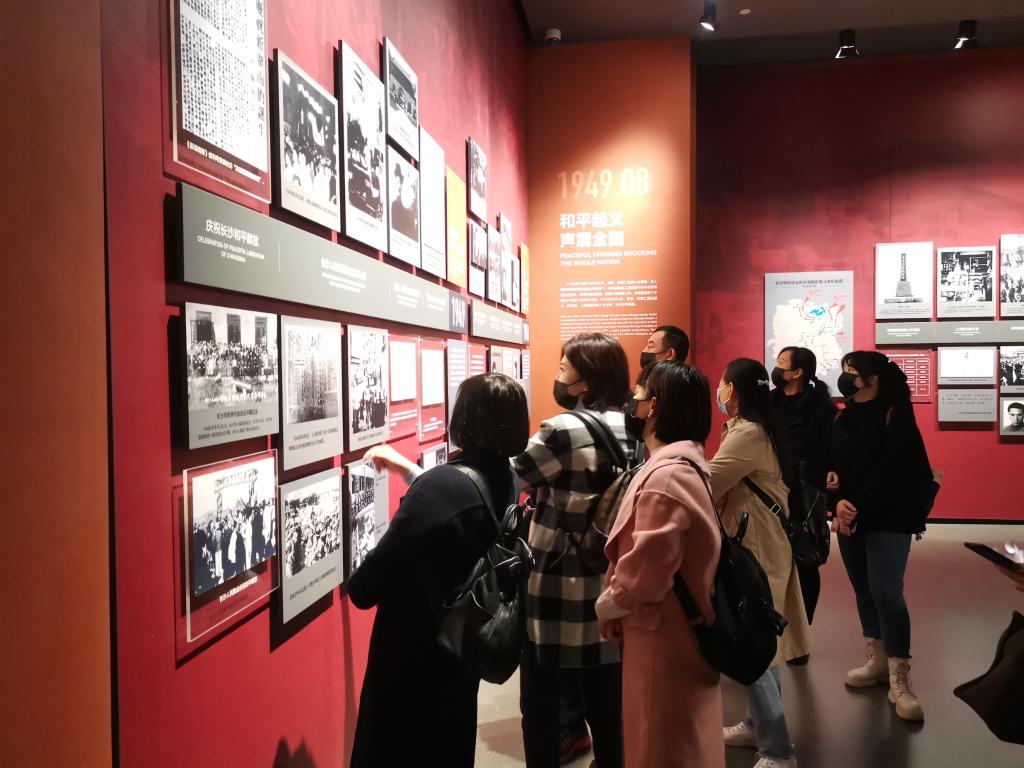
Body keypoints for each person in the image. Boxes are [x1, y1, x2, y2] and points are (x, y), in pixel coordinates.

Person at [347, 373, 529, 768]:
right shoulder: (506, 477)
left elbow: (365, 587)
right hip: (460, 647)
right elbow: (455, 502)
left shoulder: (443, 488)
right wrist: (408, 471)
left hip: (412, 657)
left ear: (465, 417)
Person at [595, 362, 725, 768]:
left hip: (663, 637)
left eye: (638, 394)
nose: (632, 403)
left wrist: (607, 605)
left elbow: (645, 576)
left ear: (654, 406)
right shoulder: (685, 465)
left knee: (657, 742)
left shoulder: (666, 478)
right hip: (675, 631)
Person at [513, 332, 632, 768]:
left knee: (541, 707)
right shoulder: (635, 430)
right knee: (609, 708)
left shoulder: (562, 430)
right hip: (612, 584)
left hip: (556, 587)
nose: (558, 376)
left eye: (564, 368)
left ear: (585, 381)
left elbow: (513, 479)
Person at [710, 358, 811, 768]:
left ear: (732, 390)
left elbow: (710, 482)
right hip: (760, 545)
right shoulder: (751, 428)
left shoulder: (748, 434)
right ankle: (756, 725)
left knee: (756, 647)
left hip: (758, 549)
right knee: (764, 644)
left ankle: (778, 751)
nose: (718, 391)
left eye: (722, 383)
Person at [830, 351, 939, 723]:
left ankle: (899, 676)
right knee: (863, 588)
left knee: (887, 592)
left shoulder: (896, 414)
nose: (845, 377)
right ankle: (876, 660)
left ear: (872, 378)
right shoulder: (843, 416)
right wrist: (835, 499)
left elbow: (898, 471)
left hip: (889, 517)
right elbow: (832, 465)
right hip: (850, 516)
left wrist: (854, 503)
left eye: (851, 371)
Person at [771, 346, 836, 655]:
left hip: (806, 495)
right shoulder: (770, 402)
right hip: (772, 491)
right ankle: (775, 630)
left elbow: (830, 451)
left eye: (781, 363)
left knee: (806, 563)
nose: (776, 368)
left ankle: (801, 637)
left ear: (797, 372)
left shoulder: (821, 407)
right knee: (773, 560)